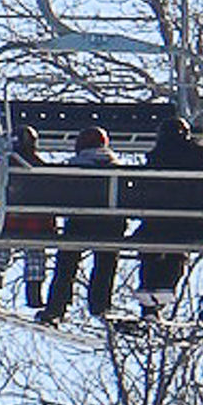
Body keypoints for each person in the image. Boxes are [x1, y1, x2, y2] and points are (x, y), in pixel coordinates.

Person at [38, 127, 127, 325]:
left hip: (80, 224)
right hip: (111, 226)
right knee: (106, 262)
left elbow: (58, 195)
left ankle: (56, 307)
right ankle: (100, 305)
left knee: (66, 263)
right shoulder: (118, 168)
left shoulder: (74, 168)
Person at [132, 118, 203, 322]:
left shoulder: (156, 157)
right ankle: (163, 289)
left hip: (156, 220)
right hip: (185, 218)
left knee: (150, 250)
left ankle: (149, 294)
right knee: (176, 252)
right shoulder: (197, 155)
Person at [0, 126, 51, 309]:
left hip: (10, 224)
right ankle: (34, 293)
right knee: (35, 253)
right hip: (39, 226)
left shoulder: (3, 167)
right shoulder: (42, 169)